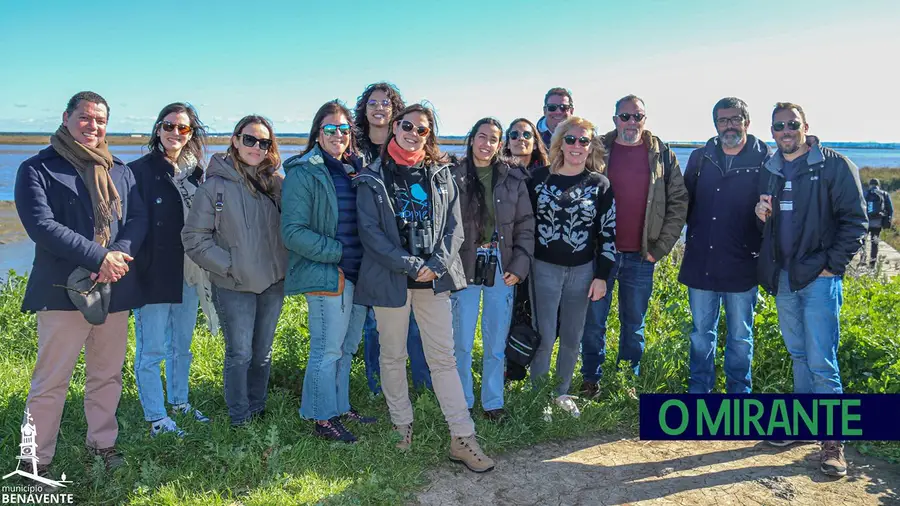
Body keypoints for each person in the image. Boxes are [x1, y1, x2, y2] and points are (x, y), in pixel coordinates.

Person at [355, 104, 495, 472]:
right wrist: (410, 264)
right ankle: (401, 425)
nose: (413, 133)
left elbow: (455, 227)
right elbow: (369, 232)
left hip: (434, 281)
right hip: (391, 280)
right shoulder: (373, 176)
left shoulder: (441, 174)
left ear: (428, 136)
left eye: (421, 129)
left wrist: (434, 265)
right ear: (395, 127)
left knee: (443, 358)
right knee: (392, 355)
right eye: (407, 126)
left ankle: (462, 437)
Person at [14, 91, 148, 475]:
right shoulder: (37, 168)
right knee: (50, 382)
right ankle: (34, 462)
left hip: (114, 289)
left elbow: (135, 220)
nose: (94, 126)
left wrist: (115, 257)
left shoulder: (119, 169)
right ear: (66, 117)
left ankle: (102, 446)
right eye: (86, 118)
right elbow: (42, 226)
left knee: (107, 375)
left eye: (100, 120)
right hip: (61, 292)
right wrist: (97, 258)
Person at [755, 102, 867, 478]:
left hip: (819, 279)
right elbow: (774, 220)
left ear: (806, 126)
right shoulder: (771, 168)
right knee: (799, 354)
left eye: (791, 124)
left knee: (822, 360)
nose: (785, 131)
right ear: (772, 132)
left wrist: (830, 267)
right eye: (778, 127)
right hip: (785, 278)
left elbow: (855, 222)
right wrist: (761, 216)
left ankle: (833, 442)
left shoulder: (833, 165)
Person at [580, 95, 688, 398]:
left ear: (645, 119)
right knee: (593, 323)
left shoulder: (662, 154)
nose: (631, 122)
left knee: (634, 325)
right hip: (600, 255)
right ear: (615, 119)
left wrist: (661, 247)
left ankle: (627, 382)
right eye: (625, 117)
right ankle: (591, 380)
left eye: (637, 117)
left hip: (642, 255)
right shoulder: (597, 149)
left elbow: (679, 202)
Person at [182, 115, 287, 427]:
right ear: (236, 140)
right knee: (239, 354)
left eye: (264, 142)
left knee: (262, 353)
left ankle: (258, 410)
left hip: (272, 283)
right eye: (250, 139)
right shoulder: (214, 186)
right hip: (233, 285)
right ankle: (239, 418)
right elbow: (193, 237)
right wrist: (229, 266)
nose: (256, 147)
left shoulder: (275, 184)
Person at [281, 100, 375, 442]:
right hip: (328, 273)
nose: (338, 135)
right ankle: (322, 418)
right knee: (326, 350)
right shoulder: (304, 172)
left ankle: (339, 406)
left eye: (344, 129)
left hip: (358, 273)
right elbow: (292, 232)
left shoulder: (355, 169)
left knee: (347, 347)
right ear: (318, 134)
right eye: (330, 129)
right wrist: (337, 251)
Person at [130, 103, 213, 437]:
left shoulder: (197, 172)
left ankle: (179, 402)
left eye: (183, 128)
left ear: (191, 133)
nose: (175, 133)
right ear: (157, 129)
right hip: (153, 271)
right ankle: (156, 416)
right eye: (169, 126)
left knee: (182, 344)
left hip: (189, 270)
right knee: (151, 348)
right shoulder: (138, 170)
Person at [679, 97, 770, 394]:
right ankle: (699, 394)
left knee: (741, 338)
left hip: (743, 264)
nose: (729, 126)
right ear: (715, 124)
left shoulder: (764, 158)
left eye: (735, 119)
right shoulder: (700, 158)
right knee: (700, 335)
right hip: (701, 263)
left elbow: (770, 214)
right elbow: (683, 204)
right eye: (723, 120)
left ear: (747, 121)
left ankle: (739, 396)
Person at [527, 116, 616, 418]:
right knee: (544, 334)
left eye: (584, 141)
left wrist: (602, 276)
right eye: (571, 139)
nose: (577, 146)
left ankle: (561, 393)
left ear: (591, 147)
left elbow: (608, 232)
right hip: (544, 269)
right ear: (560, 143)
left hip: (583, 271)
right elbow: (524, 227)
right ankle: (537, 395)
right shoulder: (539, 180)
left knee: (572, 335)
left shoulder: (599, 184)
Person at [451, 118, 535, 421]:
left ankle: (492, 403)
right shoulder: (454, 174)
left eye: (493, 139)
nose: (487, 144)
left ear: (500, 144)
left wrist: (520, 264)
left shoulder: (513, 178)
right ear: (472, 138)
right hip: (465, 264)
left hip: (502, 264)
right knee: (461, 341)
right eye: (481, 137)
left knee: (496, 340)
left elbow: (526, 225)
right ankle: (462, 402)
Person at [352, 82, 432, 394]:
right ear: (365, 108)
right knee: (374, 324)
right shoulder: (354, 150)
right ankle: (376, 387)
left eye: (386, 103)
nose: (379, 108)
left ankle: (422, 385)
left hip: (406, 246)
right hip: (368, 246)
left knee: (413, 323)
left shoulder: (407, 144)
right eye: (373, 102)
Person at [864, 178, 893, 267]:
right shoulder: (884, 194)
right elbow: (890, 209)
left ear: (870, 185)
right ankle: (872, 263)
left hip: (866, 223)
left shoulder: (865, 193)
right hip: (878, 223)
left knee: (863, 242)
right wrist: (888, 220)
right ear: (878, 185)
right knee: (875, 242)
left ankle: (862, 260)